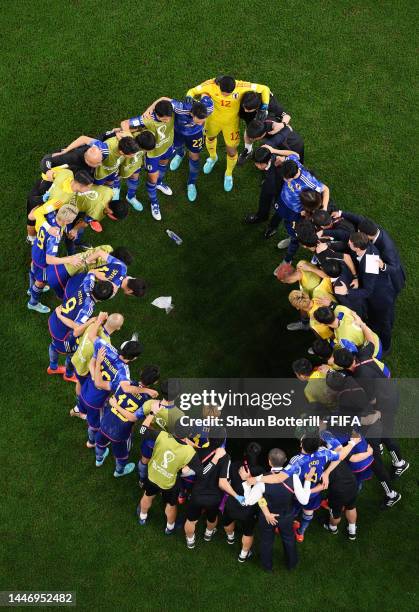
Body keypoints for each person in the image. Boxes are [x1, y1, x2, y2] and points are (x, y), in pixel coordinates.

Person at [243, 434, 359, 542]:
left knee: (292, 511)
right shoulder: (324, 453)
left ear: (301, 444)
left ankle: (284, 526)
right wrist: (352, 443)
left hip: (296, 494)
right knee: (308, 513)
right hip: (313, 493)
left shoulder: (297, 461)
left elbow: (279, 478)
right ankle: (301, 532)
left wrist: (256, 479)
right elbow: (341, 455)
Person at [186, 76, 271, 191]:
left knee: (232, 151)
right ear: (219, 85)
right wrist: (189, 97)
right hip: (212, 121)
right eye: (223, 93)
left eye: (229, 93)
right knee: (210, 138)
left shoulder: (242, 86)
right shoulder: (210, 84)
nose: (226, 95)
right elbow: (192, 91)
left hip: (231, 125)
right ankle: (213, 158)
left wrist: (264, 106)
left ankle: (228, 173)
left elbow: (265, 89)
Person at [137, 416, 217, 535]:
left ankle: (142, 517)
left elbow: (142, 430)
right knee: (171, 505)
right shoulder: (189, 452)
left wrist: (151, 414)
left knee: (147, 495)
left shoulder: (162, 435)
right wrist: (213, 460)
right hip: (169, 483)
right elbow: (201, 472)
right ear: (189, 433)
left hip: (152, 475)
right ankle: (170, 527)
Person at [95, 365, 160, 477]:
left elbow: (126, 390)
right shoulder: (147, 401)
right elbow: (134, 417)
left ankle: (99, 459)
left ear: (141, 373)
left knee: (100, 442)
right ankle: (119, 471)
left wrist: (115, 405)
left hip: (105, 422)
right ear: (155, 383)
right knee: (122, 455)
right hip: (121, 432)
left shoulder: (125, 383)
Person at [47, 271, 114, 381]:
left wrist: (103, 279)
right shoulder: (88, 309)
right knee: (71, 354)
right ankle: (68, 374)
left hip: (54, 320)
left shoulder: (86, 286)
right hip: (63, 333)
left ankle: (53, 366)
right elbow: (77, 330)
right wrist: (92, 321)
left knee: (53, 345)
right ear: (103, 300)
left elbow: (92, 272)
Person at [80, 339, 145, 450]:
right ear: (134, 358)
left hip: (85, 389)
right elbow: (99, 384)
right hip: (96, 401)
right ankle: (91, 442)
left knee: (83, 406)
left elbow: (92, 341)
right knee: (94, 425)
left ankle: (80, 411)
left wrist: (95, 370)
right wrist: (146, 390)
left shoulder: (104, 346)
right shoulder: (123, 376)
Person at [265, 157, 330, 266]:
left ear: (293, 175)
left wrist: (324, 209)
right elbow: (293, 154)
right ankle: (288, 236)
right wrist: (277, 153)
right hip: (283, 202)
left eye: (286, 178)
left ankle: (287, 260)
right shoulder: (291, 162)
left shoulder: (307, 180)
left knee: (296, 236)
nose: (284, 179)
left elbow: (325, 189)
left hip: (296, 213)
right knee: (282, 219)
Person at [121, 100, 175, 220]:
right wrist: (130, 140)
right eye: (165, 119)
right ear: (157, 115)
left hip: (167, 146)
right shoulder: (146, 119)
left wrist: (150, 106)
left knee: (163, 167)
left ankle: (160, 184)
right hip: (153, 154)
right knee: (152, 179)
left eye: (169, 118)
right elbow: (124, 124)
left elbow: (163, 97)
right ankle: (154, 203)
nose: (168, 121)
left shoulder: (171, 109)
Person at [333, 212, 406, 294]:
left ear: (367, 235)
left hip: (387, 268)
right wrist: (341, 213)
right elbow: (360, 219)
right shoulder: (371, 228)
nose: (358, 232)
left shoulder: (387, 248)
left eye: (360, 232)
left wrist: (383, 266)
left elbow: (394, 268)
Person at [348, 232, 397, 353]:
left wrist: (347, 292)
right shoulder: (366, 246)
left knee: (384, 323)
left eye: (350, 243)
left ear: (357, 248)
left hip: (381, 297)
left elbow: (368, 291)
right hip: (380, 290)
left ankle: (386, 346)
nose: (347, 243)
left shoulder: (370, 263)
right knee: (381, 319)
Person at [27, 204, 80, 314]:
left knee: (33, 269)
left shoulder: (51, 215)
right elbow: (50, 260)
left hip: (36, 249)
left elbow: (39, 210)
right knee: (41, 281)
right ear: (68, 222)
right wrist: (69, 259)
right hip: (43, 262)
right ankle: (33, 303)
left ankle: (30, 289)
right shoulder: (54, 237)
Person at [183, 429, 229, 548]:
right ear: (223, 441)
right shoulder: (226, 457)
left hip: (197, 494)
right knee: (212, 518)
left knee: (191, 520)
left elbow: (186, 470)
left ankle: (190, 540)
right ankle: (208, 534)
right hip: (214, 497)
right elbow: (223, 481)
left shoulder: (199, 452)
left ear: (208, 438)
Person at [219, 442, 264, 562]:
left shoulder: (234, 465)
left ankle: (230, 537)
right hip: (249, 509)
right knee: (248, 532)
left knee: (227, 521)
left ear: (244, 453)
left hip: (232, 504)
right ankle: (243, 556)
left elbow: (226, 483)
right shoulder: (261, 471)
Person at [137, 380, 185, 487]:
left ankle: (142, 480)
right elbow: (178, 437)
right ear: (177, 396)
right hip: (164, 445)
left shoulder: (150, 404)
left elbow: (138, 420)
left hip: (149, 440)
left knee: (144, 461)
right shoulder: (179, 415)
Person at [70, 311, 124, 406]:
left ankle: (79, 396)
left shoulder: (93, 326)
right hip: (84, 369)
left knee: (78, 381)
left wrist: (98, 320)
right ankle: (80, 401)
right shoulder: (106, 344)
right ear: (118, 328)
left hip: (76, 359)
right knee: (83, 385)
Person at [168, 96, 214, 202]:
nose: (201, 123)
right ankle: (180, 154)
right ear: (192, 114)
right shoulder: (180, 107)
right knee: (178, 147)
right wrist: (147, 112)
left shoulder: (209, 107)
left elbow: (206, 93)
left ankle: (191, 183)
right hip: (178, 132)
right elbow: (163, 99)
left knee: (194, 158)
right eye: (198, 122)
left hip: (195, 135)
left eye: (203, 121)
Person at [244, 146, 299, 229]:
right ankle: (261, 217)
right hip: (268, 187)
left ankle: (272, 227)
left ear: (268, 160)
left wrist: (280, 155)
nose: (257, 166)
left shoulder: (280, 163)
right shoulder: (267, 156)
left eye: (260, 164)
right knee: (264, 201)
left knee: (280, 210)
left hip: (282, 192)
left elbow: (296, 155)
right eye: (256, 163)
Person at [237, 91, 292, 164]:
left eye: (248, 109)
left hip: (270, 123)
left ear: (257, 106)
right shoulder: (245, 99)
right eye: (244, 107)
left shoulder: (271, 103)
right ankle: (248, 150)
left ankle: (284, 156)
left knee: (280, 141)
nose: (245, 110)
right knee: (249, 133)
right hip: (254, 119)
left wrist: (282, 124)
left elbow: (286, 116)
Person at [313, 304, 382, 358]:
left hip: (374, 351)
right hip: (375, 337)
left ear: (324, 324)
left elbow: (356, 355)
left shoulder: (343, 340)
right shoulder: (341, 309)